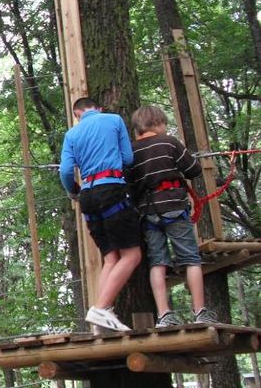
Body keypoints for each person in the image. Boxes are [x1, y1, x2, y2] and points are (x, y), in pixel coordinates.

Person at [126, 105, 217, 327]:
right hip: (174, 207)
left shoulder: (131, 152)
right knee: (190, 259)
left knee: (157, 262)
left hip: (148, 212)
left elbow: (130, 183)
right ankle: (199, 311)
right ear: (158, 123)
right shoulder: (169, 142)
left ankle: (164, 314)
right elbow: (193, 170)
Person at [59, 96, 142, 332]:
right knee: (132, 255)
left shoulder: (71, 135)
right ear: (98, 108)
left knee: (111, 257)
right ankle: (101, 308)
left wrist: (74, 192)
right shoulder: (113, 120)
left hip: (87, 196)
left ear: (77, 115)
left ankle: (99, 320)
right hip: (111, 188)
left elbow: (66, 171)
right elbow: (127, 158)